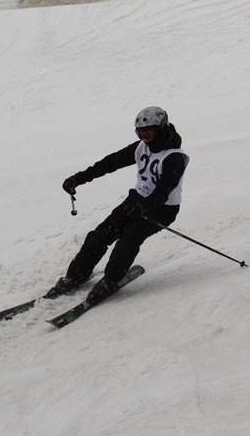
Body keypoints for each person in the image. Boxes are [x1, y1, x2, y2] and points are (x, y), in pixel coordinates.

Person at [46, 106, 189, 305]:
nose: (145, 136)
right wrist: (78, 179)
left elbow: (163, 190)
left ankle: (110, 279)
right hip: (136, 201)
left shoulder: (175, 157)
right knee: (100, 234)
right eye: (140, 132)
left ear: (162, 129)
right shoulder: (141, 147)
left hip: (162, 209)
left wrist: (144, 207)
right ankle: (75, 276)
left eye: (149, 132)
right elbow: (110, 163)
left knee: (129, 238)